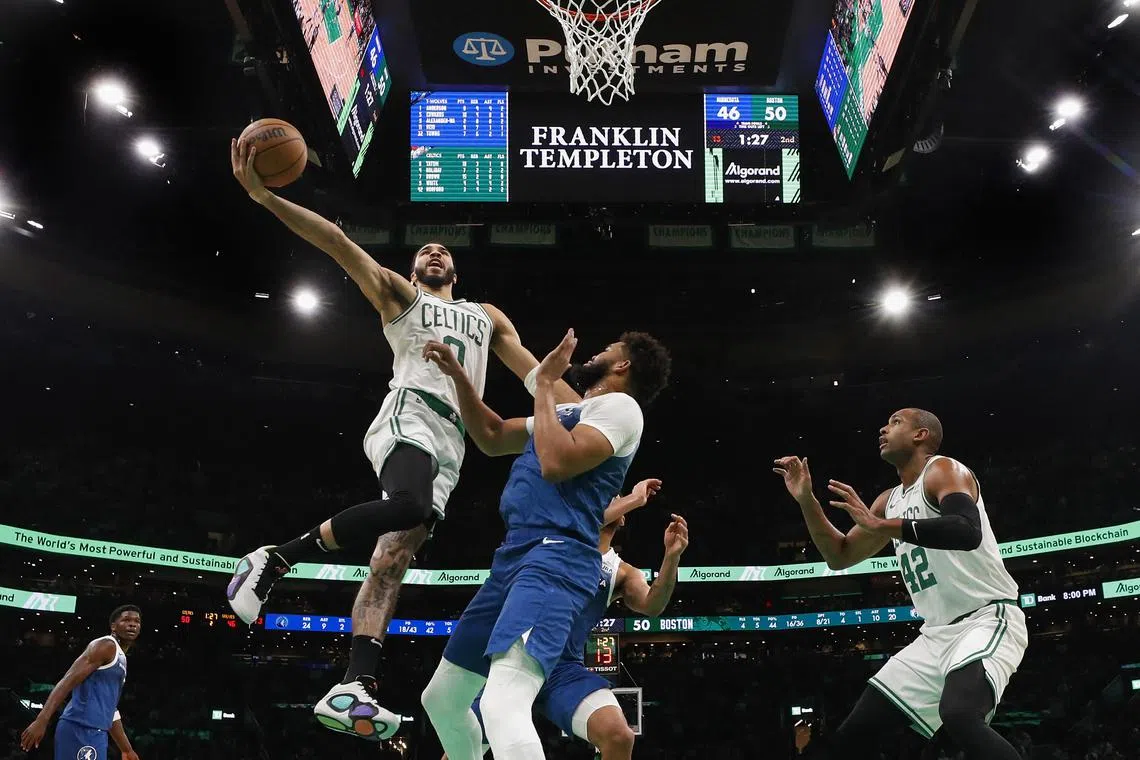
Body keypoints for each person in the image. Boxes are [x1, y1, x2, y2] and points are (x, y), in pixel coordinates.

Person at [223, 137, 578, 740]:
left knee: (391, 561)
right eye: (425, 251)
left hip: (456, 439)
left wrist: (595, 415)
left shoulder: (486, 316)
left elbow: (538, 379)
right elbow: (337, 242)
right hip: (409, 414)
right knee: (409, 506)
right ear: (414, 270)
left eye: (444, 251)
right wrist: (264, 197)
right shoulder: (400, 296)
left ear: (456, 271)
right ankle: (275, 556)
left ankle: (354, 686)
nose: (434, 252)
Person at [419, 328, 671, 760]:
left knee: (502, 703)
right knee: (441, 699)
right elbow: (493, 435)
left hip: (558, 556)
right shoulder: (574, 412)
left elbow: (556, 463)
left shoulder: (622, 408)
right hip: (514, 555)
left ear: (623, 364)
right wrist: (459, 376)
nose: (596, 352)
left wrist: (544, 385)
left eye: (607, 349)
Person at [773, 408, 1028, 759]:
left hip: (986, 618)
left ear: (921, 435)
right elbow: (839, 556)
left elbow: (966, 530)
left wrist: (881, 526)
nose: (883, 428)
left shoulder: (943, 470)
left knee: (960, 714)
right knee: (852, 736)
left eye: (895, 422)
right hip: (935, 635)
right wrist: (807, 500)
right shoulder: (887, 501)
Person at [444, 481, 688, 760]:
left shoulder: (621, 572)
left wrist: (672, 557)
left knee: (619, 736)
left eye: (613, 497)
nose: (606, 499)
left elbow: (653, 605)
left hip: (563, 671)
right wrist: (633, 499)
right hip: (516, 658)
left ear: (622, 518)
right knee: (457, 754)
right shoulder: (553, 539)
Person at [20, 605, 142, 760]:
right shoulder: (106, 646)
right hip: (80, 727)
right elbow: (68, 680)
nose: (132, 624)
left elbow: (110, 709)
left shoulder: (120, 658)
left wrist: (126, 749)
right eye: (126, 620)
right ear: (113, 626)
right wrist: (42, 719)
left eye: (136, 621)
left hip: (96, 732)